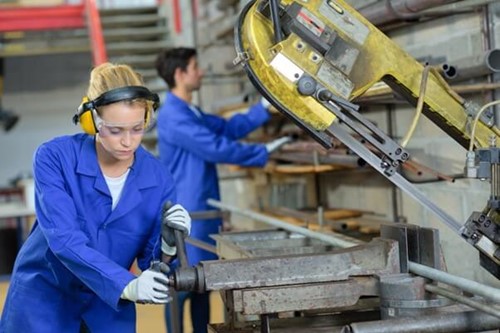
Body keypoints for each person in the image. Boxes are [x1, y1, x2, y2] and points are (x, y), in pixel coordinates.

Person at [0, 63, 192, 333]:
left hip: (108, 309)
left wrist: (169, 245)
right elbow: (64, 240)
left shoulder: (158, 178)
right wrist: (126, 284)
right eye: (115, 130)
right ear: (93, 121)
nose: (128, 141)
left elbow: (151, 262)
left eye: (137, 128)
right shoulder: (55, 158)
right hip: (44, 303)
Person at [155, 47, 290, 333]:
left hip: (203, 209)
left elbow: (227, 129)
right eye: (195, 67)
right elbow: (214, 147)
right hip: (189, 214)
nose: (200, 72)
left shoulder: (189, 112)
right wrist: (261, 152)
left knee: (204, 284)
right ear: (180, 74)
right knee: (183, 287)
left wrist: (264, 107)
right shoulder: (173, 117)